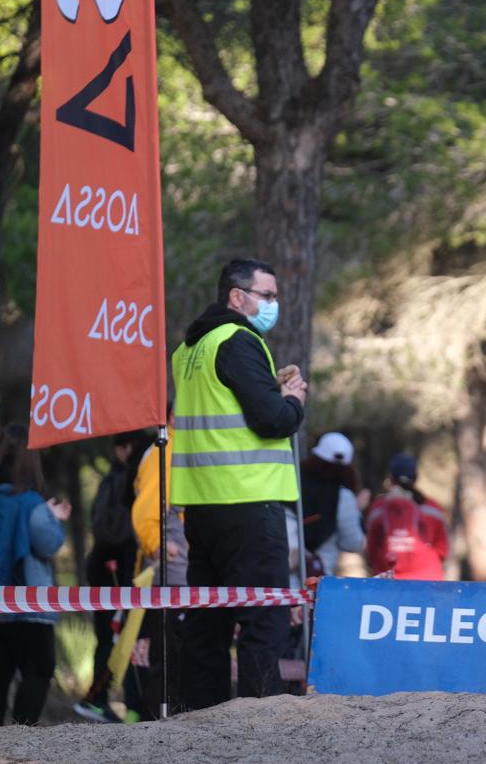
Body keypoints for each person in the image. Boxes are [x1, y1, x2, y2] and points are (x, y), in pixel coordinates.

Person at [170, 258, 307, 711]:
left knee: (208, 621)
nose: (274, 304)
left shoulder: (190, 350)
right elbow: (271, 420)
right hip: (249, 501)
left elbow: (224, 409)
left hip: (201, 507)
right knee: (264, 617)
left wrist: (267, 386)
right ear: (236, 296)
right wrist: (292, 401)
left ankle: (201, 717)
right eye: (266, 295)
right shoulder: (239, 339)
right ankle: (259, 718)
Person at [0, 424, 71, 726]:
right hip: (27, 606)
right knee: (39, 669)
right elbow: (48, 543)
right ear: (31, 461)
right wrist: (53, 517)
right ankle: (22, 733)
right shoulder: (31, 503)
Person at [74, 429, 150, 723]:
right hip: (118, 570)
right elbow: (116, 531)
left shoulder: (113, 479)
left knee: (114, 636)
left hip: (107, 568)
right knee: (123, 635)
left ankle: (104, 698)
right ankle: (106, 699)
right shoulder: (123, 480)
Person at [126, 411, 187, 721]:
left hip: (181, 570)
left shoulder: (181, 446)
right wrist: (159, 544)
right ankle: (160, 728)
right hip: (171, 570)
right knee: (170, 660)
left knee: (177, 657)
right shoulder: (167, 451)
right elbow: (146, 511)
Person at [285, 431, 367, 588]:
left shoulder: (291, 483)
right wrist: (357, 510)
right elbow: (353, 543)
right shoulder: (342, 496)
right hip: (318, 582)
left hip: (282, 578)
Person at [364, 453, 450, 581]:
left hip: (388, 579)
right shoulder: (432, 508)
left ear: (391, 477)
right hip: (427, 578)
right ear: (416, 477)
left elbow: (371, 551)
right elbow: (443, 550)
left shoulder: (378, 507)